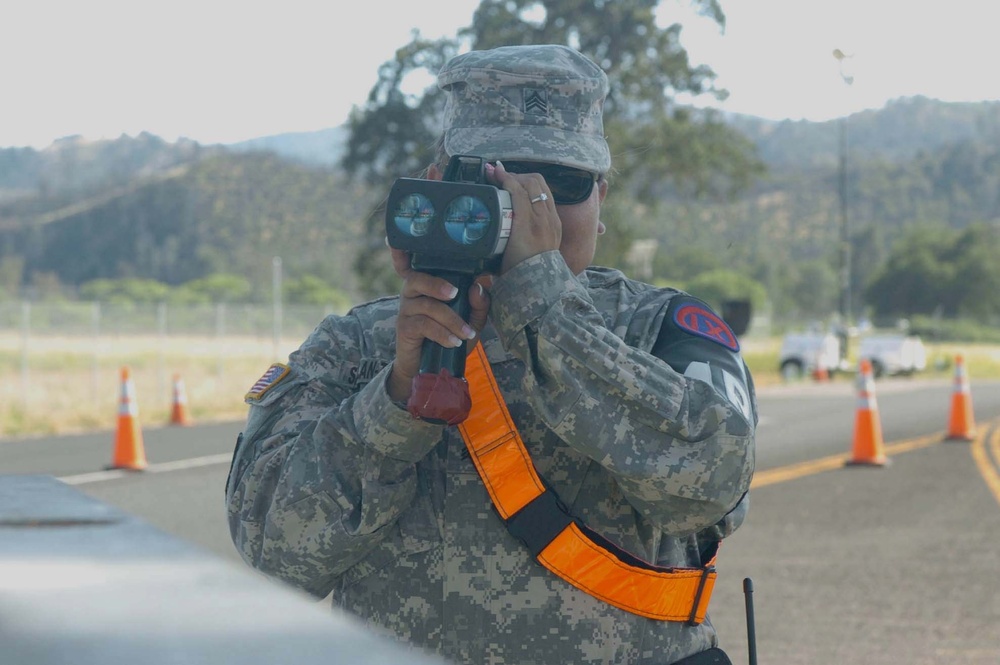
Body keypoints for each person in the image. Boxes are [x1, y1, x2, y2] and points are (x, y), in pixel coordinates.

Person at [226, 44, 757, 665]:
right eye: (495, 178)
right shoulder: (356, 349)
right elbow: (275, 555)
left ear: (601, 198)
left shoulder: (662, 331)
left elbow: (713, 490)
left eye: (563, 184)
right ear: (436, 190)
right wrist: (394, 401)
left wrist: (550, 315)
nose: (534, 210)